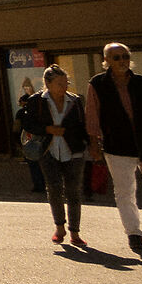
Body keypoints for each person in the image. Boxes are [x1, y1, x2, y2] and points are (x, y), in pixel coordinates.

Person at [86, 43, 142, 262]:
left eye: (125, 56)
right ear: (106, 61)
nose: (122, 61)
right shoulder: (98, 84)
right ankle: (133, 233)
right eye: (117, 57)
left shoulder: (140, 82)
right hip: (116, 146)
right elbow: (92, 114)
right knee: (125, 191)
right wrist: (94, 143)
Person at [20, 67, 92, 248]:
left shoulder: (75, 101)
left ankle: (75, 232)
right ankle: (60, 227)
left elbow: (82, 125)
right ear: (48, 84)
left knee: (74, 191)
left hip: (73, 151)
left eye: (66, 82)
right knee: (54, 189)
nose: (64, 86)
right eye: (59, 83)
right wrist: (47, 129)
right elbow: (28, 124)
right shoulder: (36, 101)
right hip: (48, 151)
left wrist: (90, 145)